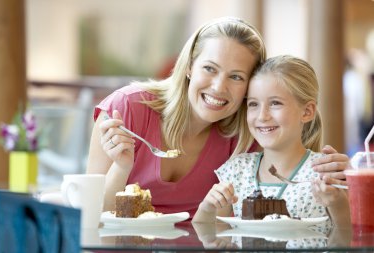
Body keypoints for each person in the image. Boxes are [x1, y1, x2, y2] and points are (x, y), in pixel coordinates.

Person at [86, 17, 349, 217]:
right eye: (210, 69)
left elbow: (295, 181)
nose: (218, 87)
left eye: (236, 76)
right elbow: (91, 216)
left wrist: (337, 174)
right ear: (189, 66)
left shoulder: (246, 138)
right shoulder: (127, 109)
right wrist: (121, 168)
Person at [192, 55, 350, 228]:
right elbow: (207, 234)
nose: (262, 116)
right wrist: (207, 208)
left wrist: (338, 204)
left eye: (275, 103)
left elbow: (348, 238)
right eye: (253, 104)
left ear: (307, 112)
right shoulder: (237, 171)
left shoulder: (326, 175)